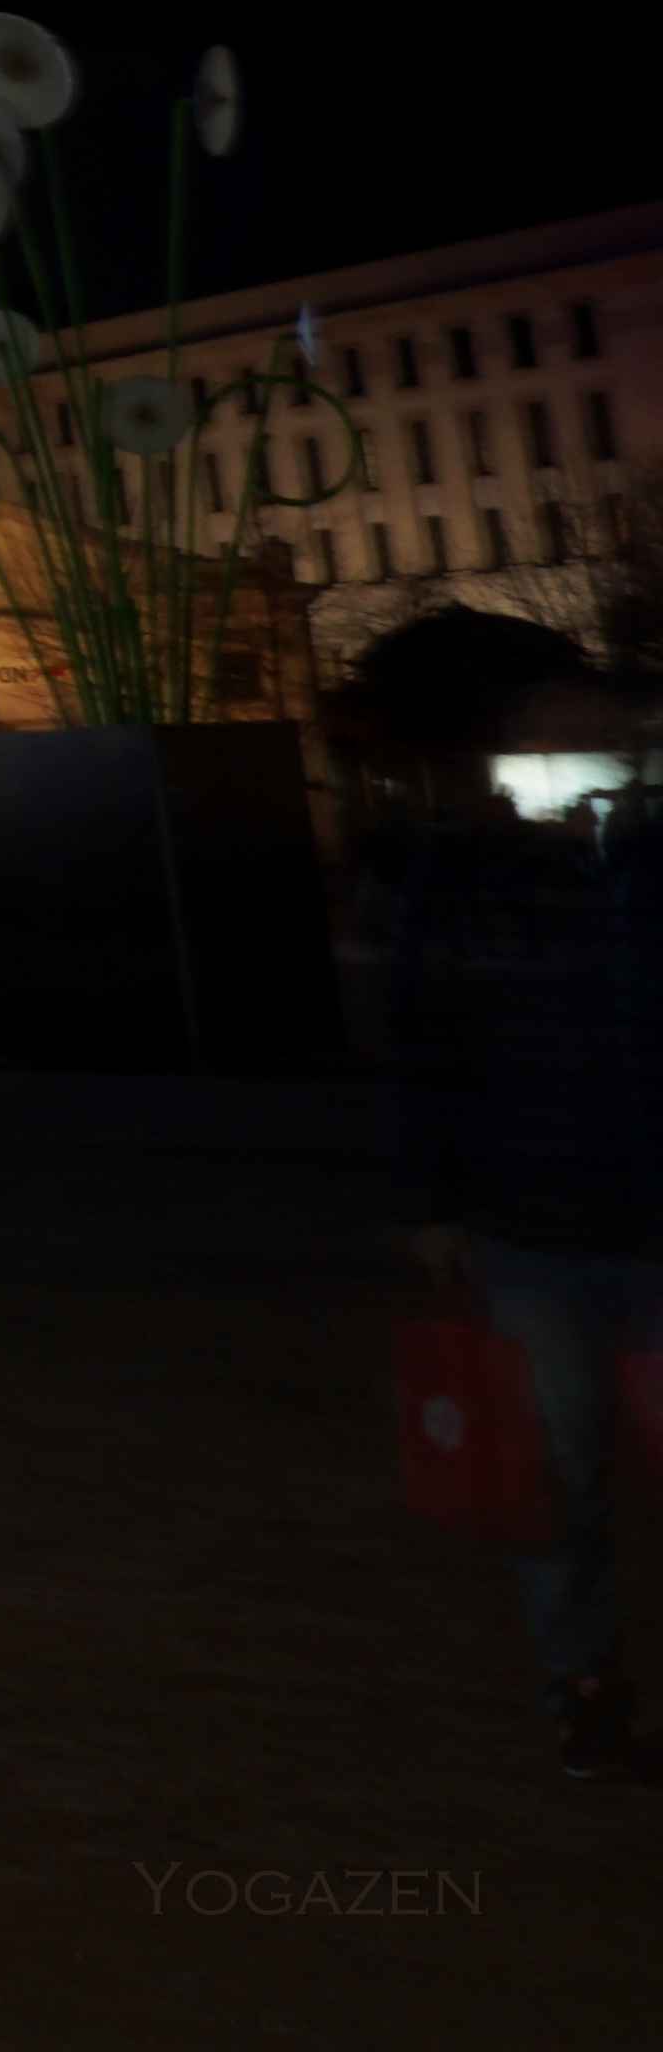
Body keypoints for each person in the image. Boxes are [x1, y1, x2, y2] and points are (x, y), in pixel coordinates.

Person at [389, 725, 663, 1777]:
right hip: (536, 1216)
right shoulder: (471, 882)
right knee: (557, 1472)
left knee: (563, 1470)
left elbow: (427, 1046)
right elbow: (428, 1046)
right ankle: (583, 1685)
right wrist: (438, 1202)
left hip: (556, 1211)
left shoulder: (511, 879)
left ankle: (584, 1682)